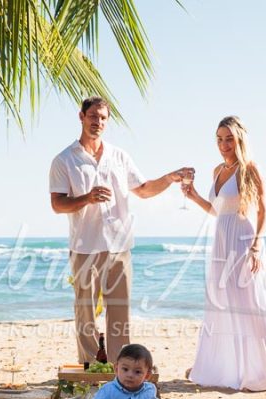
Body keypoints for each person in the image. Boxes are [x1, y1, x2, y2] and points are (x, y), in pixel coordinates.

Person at [50, 96, 193, 363]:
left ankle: (118, 371)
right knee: (86, 314)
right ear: (81, 117)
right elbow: (57, 204)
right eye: (93, 116)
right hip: (85, 248)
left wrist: (170, 178)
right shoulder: (64, 160)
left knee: (119, 316)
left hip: (120, 247)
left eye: (103, 118)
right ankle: (91, 369)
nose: (98, 122)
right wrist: (87, 198)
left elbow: (143, 190)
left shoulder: (119, 157)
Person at [181, 116, 266, 391]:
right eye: (219, 139)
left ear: (239, 140)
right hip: (221, 240)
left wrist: (257, 245)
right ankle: (227, 367)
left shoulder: (249, 168)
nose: (223, 144)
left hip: (243, 239)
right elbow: (218, 211)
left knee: (247, 303)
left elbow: (263, 209)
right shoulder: (216, 170)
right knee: (222, 303)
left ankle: (260, 369)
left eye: (229, 139)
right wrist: (194, 197)